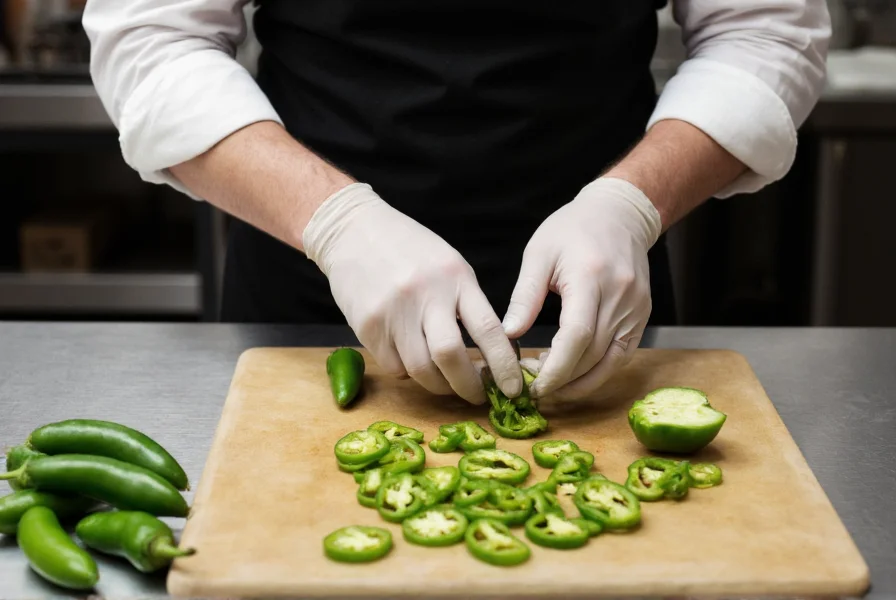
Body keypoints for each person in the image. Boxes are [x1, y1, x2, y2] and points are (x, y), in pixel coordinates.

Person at [82, 1, 830, 406]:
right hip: (308, 291)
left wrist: (631, 203)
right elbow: (153, 42)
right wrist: (338, 223)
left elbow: (762, 32)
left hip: (597, 284)